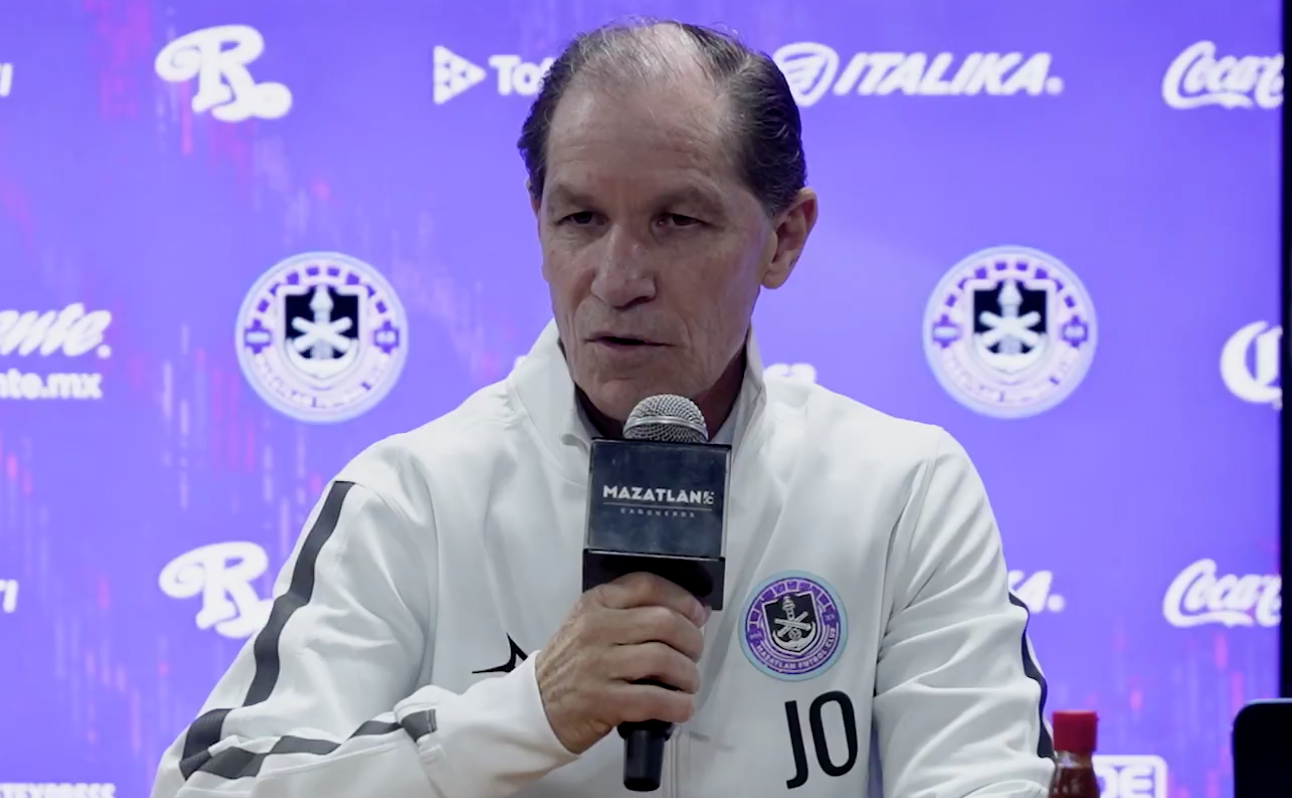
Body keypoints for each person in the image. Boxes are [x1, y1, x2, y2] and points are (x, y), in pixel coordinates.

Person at [152, 19, 1056, 798]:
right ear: (538, 221)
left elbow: (984, 778)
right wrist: (526, 713)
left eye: (677, 221)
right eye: (581, 219)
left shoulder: (901, 492)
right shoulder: (411, 497)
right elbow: (212, 785)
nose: (619, 279)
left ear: (784, 238)